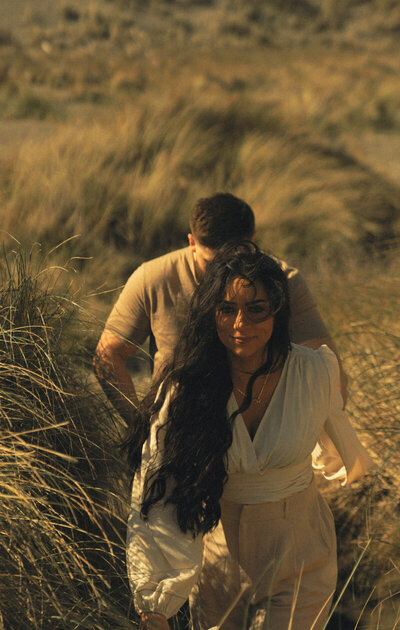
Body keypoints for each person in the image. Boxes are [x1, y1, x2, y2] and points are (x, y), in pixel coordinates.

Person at [125, 243, 373, 630]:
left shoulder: (314, 372)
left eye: (256, 309)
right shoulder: (187, 388)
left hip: (300, 551)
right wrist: (155, 600)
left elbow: (339, 443)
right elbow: (157, 483)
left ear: (277, 310)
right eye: (227, 309)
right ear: (212, 313)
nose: (240, 325)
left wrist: (335, 469)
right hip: (217, 555)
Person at [93, 193, 347, 425]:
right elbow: (108, 355)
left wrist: (310, 437)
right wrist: (140, 428)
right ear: (191, 242)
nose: (225, 272)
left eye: (237, 258)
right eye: (213, 262)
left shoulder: (284, 281)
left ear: (253, 241)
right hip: (178, 436)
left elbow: (327, 368)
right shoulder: (153, 278)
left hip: (264, 439)